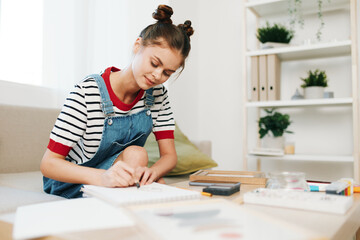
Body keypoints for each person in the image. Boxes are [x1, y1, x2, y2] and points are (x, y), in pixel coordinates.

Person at [40, 5, 194, 199]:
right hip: (70, 179)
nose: (157, 75)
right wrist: (104, 177)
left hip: (116, 175)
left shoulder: (158, 95)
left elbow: (169, 156)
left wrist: (152, 173)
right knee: (139, 161)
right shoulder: (88, 91)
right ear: (138, 45)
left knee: (138, 156)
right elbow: (49, 164)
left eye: (167, 73)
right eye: (154, 63)